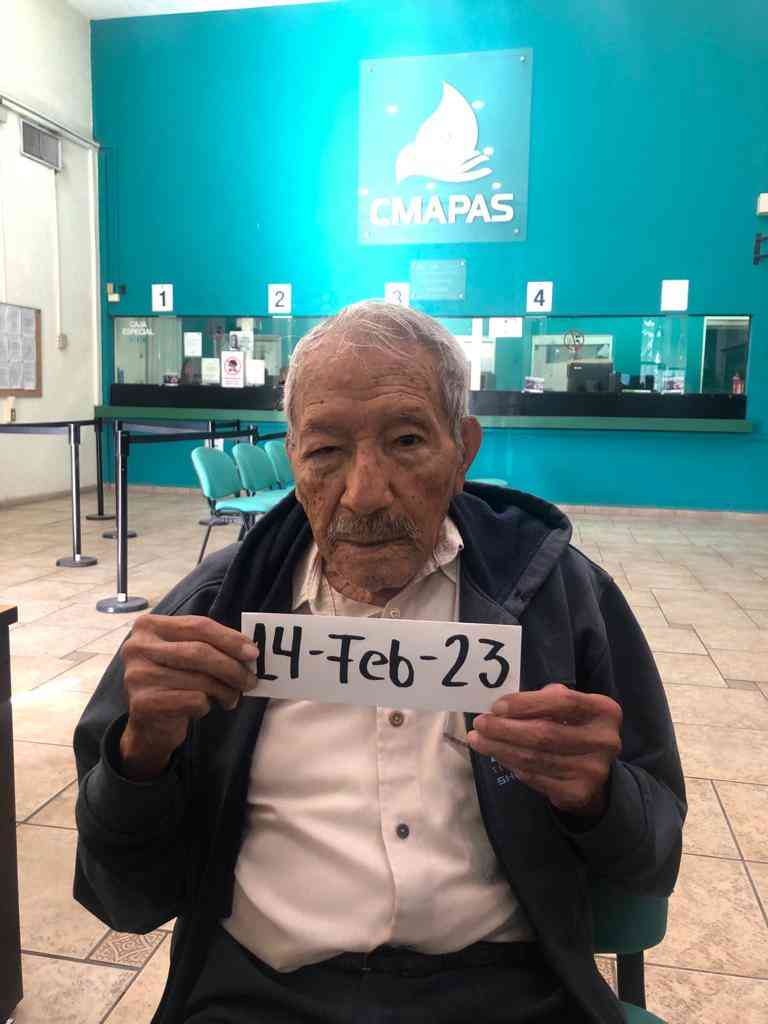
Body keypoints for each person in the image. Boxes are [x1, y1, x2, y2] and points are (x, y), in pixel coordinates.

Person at [74, 301, 685, 1024]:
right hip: (258, 997)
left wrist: (598, 796)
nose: (364, 494)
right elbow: (122, 898)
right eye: (325, 451)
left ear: (462, 450)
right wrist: (139, 757)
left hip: (507, 997)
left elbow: (653, 857)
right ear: (292, 457)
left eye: (406, 440)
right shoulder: (211, 613)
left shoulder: (562, 599)